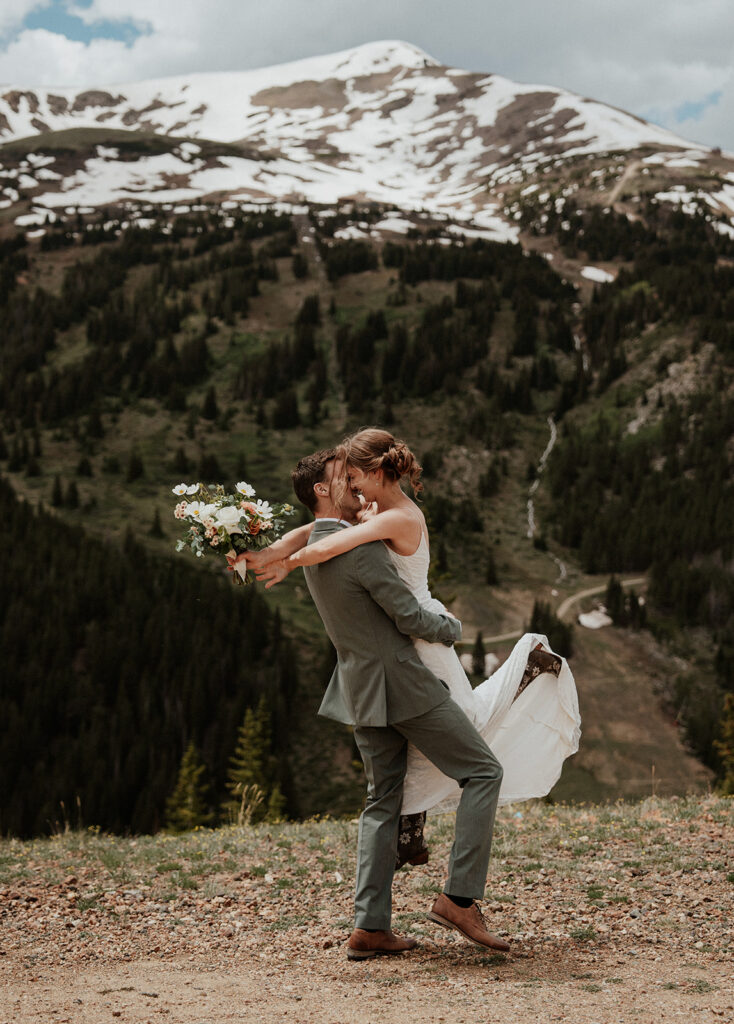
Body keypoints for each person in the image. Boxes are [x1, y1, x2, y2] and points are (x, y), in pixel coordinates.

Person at [243, 429, 581, 868]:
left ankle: (524, 670)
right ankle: (410, 829)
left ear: (374, 472)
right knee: (421, 740)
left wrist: (288, 563)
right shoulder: (378, 509)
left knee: (467, 724)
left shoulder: (398, 518)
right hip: (403, 637)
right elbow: (315, 527)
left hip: (422, 634)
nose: (352, 486)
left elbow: (333, 542)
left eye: (355, 476)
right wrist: (271, 549)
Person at [240, 447, 510, 960]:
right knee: (482, 773)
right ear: (323, 490)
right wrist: (451, 627)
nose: (358, 485)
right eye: (346, 477)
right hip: (402, 682)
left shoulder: (322, 548)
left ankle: (370, 928)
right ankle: (459, 898)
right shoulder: (359, 549)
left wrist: (275, 551)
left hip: (358, 686)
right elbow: (409, 616)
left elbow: (311, 534)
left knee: (380, 802)